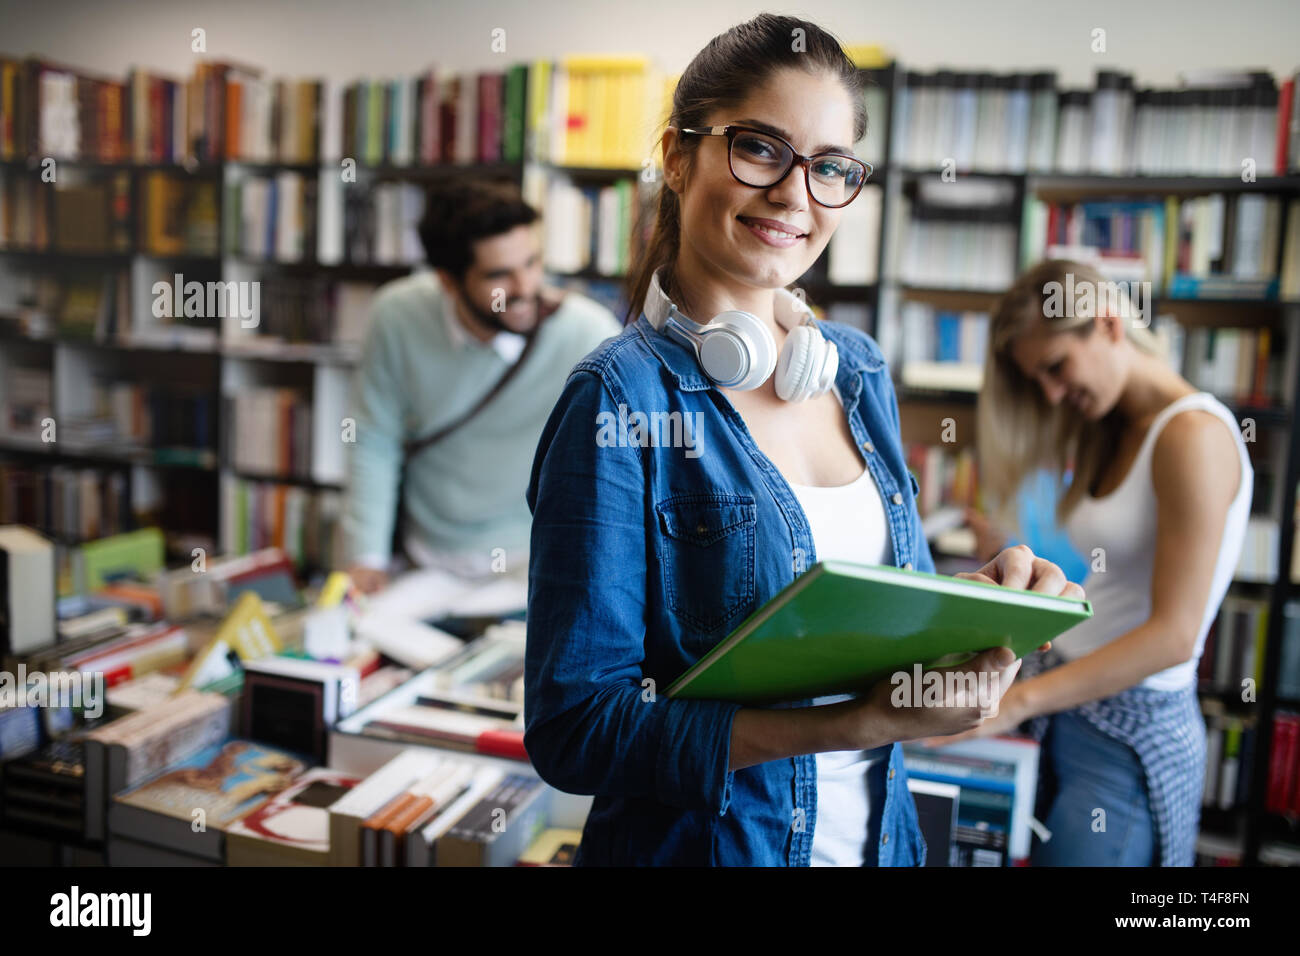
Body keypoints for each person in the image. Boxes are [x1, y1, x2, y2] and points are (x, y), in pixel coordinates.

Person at [522, 13, 1082, 867]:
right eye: (759, 148)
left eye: (830, 168)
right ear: (677, 156)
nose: (795, 195)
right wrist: (854, 724)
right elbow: (575, 731)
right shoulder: (617, 398)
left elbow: (882, 627)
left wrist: (980, 609)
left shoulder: (855, 373)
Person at [950, 258, 1253, 866]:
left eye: (1057, 368)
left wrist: (1015, 704)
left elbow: (1174, 636)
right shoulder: (1116, 427)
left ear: (1110, 323)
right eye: (1040, 380)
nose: (1054, 394)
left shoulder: (1192, 436)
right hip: (1074, 710)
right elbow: (1108, 578)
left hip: (1130, 736)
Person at [343, 178, 622, 612]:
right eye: (499, 276)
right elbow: (373, 439)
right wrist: (367, 557)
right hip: (428, 566)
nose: (526, 287)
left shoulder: (589, 334)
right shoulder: (396, 316)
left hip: (536, 570)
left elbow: (617, 467)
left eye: (532, 263)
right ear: (449, 282)